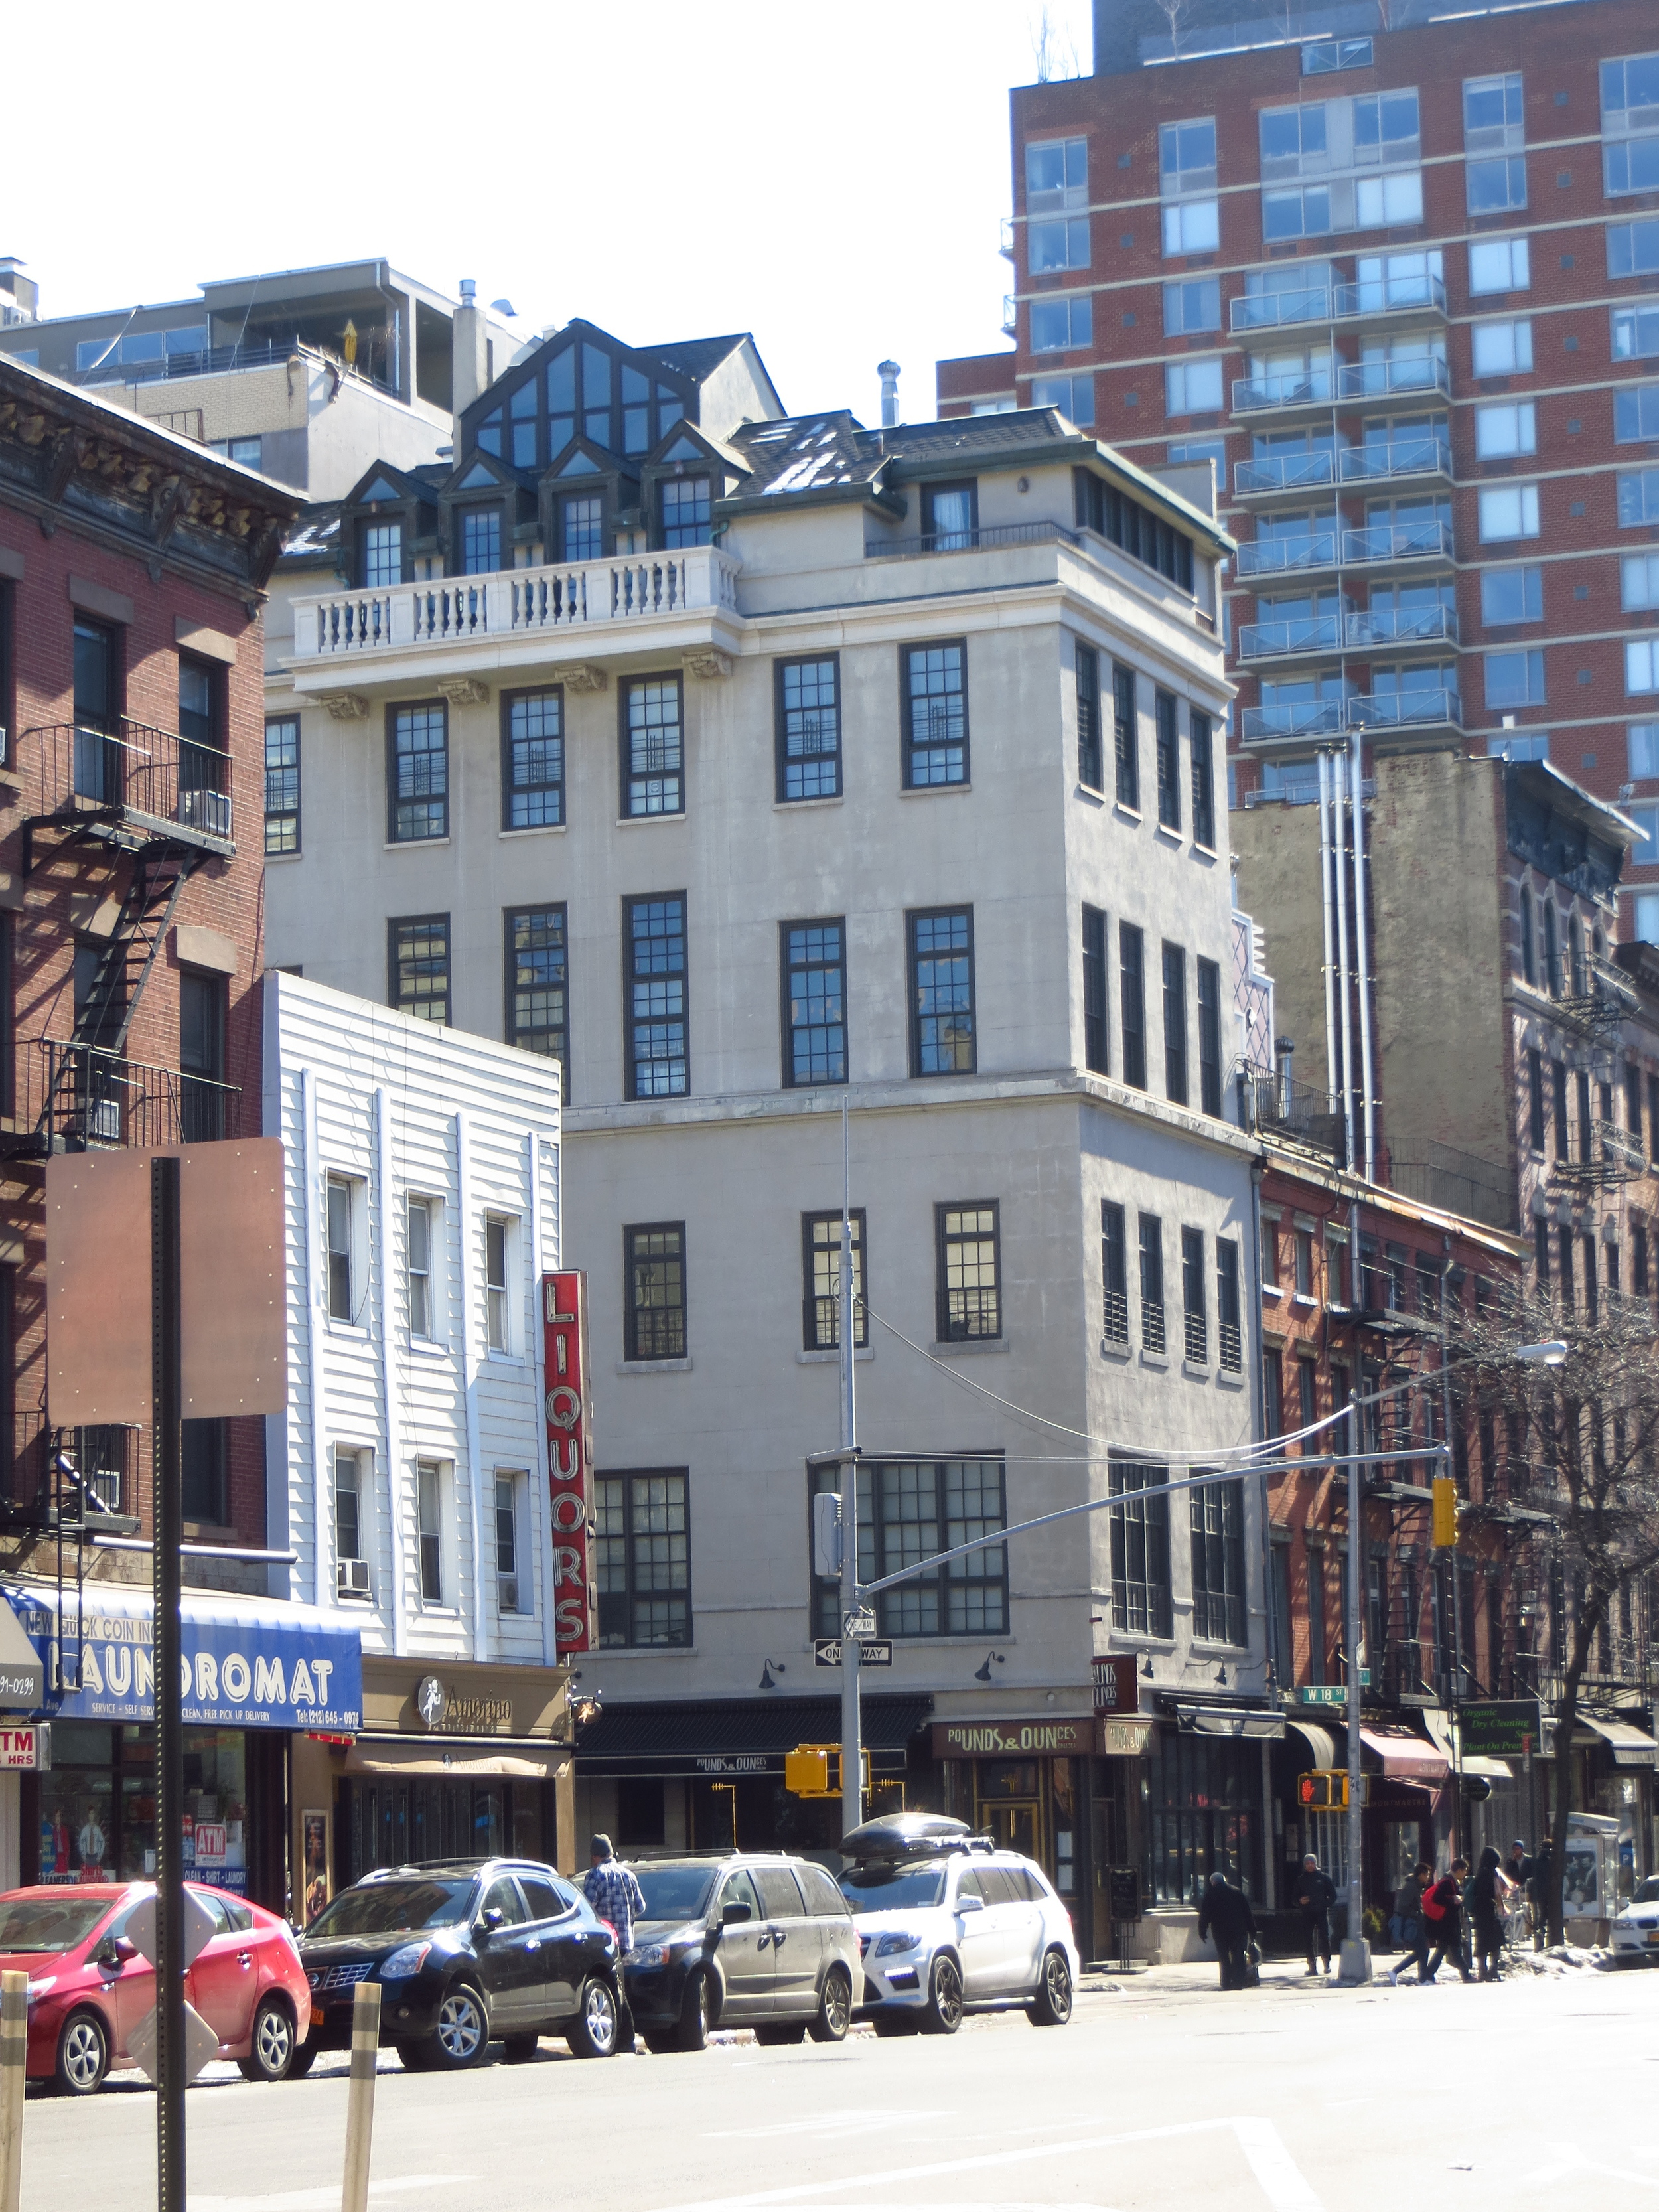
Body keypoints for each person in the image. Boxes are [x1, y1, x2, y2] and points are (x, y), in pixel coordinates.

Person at [582, 1834, 646, 2049]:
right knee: (618, 1988)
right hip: (626, 1941)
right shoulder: (628, 1874)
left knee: (613, 1990)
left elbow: (587, 1908)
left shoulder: (595, 1875)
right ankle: (624, 2040)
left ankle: (625, 2039)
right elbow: (640, 1907)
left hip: (604, 1942)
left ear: (594, 1857)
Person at [1196, 1870, 1257, 1990]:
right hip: (1239, 1930)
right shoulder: (1237, 1892)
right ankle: (1238, 1981)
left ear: (1213, 1882)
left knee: (1224, 1957)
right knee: (1238, 1956)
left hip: (1220, 1931)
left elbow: (1205, 1915)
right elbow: (1247, 1912)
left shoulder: (1210, 1895)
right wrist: (1252, 1929)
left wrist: (1202, 1931)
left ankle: (1226, 1982)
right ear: (1225, 1880)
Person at [1419, 1858, 1472, 1984]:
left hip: (1447, 1923)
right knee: (1456, 1950)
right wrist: (1454, 1901)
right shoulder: (1448, 1882)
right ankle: (1466, 1976)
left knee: (1443, 1950)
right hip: (1448, 1923)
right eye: (1464, 1871)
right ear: (1458, 1870)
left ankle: (1428, 1975)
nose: (1465, 1873)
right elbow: (1439, 1899)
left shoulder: (1449, 1880)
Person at [1468, 1846, 1513, 1981]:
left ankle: (1484, 1971)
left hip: (1480, 1912)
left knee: (1482, 1943)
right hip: (1488, 1911)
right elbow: (1495, 1893)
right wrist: (1501, 1906)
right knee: (1497, 1941)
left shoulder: (1480, 1872)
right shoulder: (1490, 1873)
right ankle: (1492, 1970)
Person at [1295, 1852, 1336, 1976]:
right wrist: (1300, 1901)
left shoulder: (1324, 1878)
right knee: (1308, 1939)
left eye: (1312, 1863)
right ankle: (1312, 1966)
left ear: (1316, 1863)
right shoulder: (1301, 1880)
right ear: (1304, 1865)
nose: (1310, 1865)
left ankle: (1326, 1963)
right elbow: (1294, 1898)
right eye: (1307, 1863)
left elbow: (1333, 1896)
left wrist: (1325, 1904)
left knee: (1325, 1937)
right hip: (1307, 1913)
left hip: (1321, 1912)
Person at [1386, 1861, 1429, 1983]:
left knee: (1422, 1951)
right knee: (1422, 1951)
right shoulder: (1411, 1887)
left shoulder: (1416, 1886)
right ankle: (1397, 1972)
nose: (1428, 1878)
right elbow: (1404, 1906)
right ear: (1421, 1875)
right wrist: (1418, 1914)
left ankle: (1422, 1978)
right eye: (1427, 1875)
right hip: (1411, 1925)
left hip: (1416, 1923)